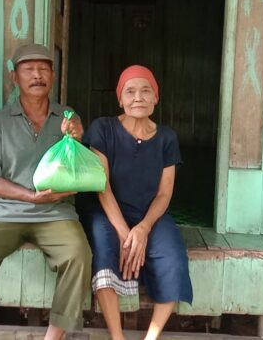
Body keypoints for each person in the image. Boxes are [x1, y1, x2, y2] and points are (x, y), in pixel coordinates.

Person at [0, 43, 92, 340]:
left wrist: (77, 134)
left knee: (79, 254)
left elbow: (79, 164)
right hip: (3, 210)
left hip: (56, 212)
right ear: (15, 78)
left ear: (53, 74)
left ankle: (54, 336)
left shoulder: (66, 117)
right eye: (28, 69)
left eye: (44, 68)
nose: (37, 75)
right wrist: (30, 196)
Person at [77, 65, 193, 340]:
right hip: (106, 209)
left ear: (156, 98)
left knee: (174, 258)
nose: (138, 97)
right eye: (130, 91)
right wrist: (124, 232)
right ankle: (117, 337)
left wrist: (142, 229)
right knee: (104, 251)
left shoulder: (167, 138)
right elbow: (101, 185)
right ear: (120, 99)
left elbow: (164, 195)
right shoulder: (102, 129)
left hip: (148, 212)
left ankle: (151, 336)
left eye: (145, 91)